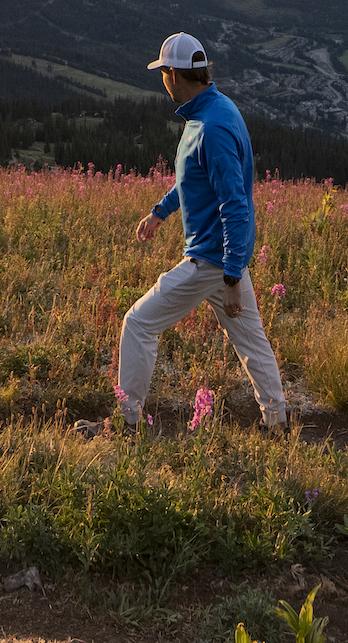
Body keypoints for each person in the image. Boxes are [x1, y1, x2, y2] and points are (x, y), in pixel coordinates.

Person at [105, 31, 288, 432]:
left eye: (162, 73)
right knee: (251, 341)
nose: (162, 81)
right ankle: (277, 421)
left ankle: (125, 423)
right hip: (223, 259)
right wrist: (160, 213)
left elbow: (235, 203)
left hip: (211, 260)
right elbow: (193, 182)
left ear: (173, 74)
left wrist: (232, 276)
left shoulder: (211, 127)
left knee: (138, 324)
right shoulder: (215, 111)